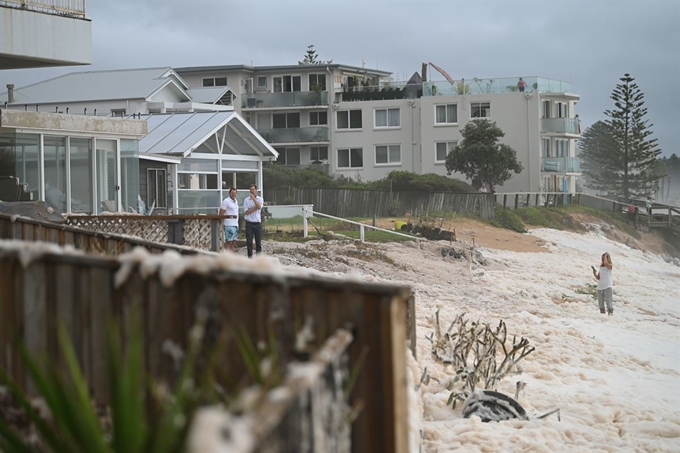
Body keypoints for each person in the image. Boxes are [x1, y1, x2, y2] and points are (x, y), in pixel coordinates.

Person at [243, 183, 264, 258]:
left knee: (258, 242)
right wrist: (255, 207)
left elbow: (259, 206)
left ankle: (259, 258)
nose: (252, 191)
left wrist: (254, 199)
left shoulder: (260, 199)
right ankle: (250, 258)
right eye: (250, 190)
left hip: (257, 223)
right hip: (249, 223)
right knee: (249, 242)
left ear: (256, 190)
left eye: (253, 189)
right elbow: (246, 212)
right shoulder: (246, 200)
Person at [219, 187, 239, 252]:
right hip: (228, 224)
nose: (234, 194)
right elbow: (221, 212)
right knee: (229, 242)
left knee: (233, 242)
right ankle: (227, 256)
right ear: (229, 193)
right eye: (232, 193)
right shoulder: (226, 201)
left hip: (235, 224)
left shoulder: (236, 201)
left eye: (235, 193)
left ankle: (232, 256)